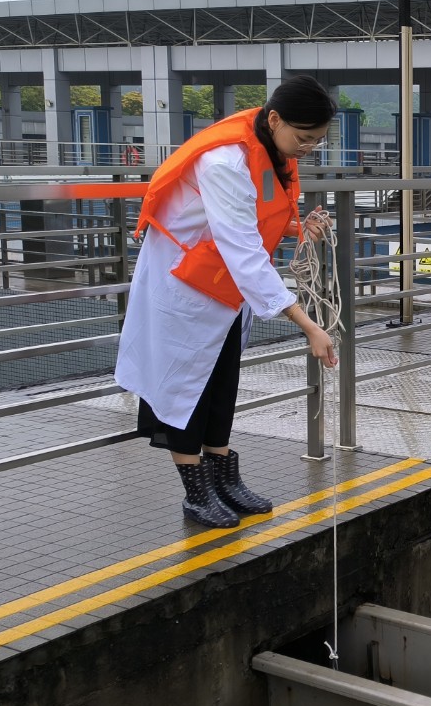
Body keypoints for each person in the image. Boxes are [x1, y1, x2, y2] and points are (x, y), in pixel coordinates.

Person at [115, 76, 338, 529]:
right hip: (183, 285)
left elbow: (252, 220)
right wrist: (307, 324)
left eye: (317, 140)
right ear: (274, 119)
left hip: (222, 285)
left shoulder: (268, 148)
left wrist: (298, 227)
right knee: (185, 388)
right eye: (304, 138)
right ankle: (196, 492)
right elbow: (243, 248)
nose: (309, 148)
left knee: (221, 382)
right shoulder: (225, 160)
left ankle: (223, 476)